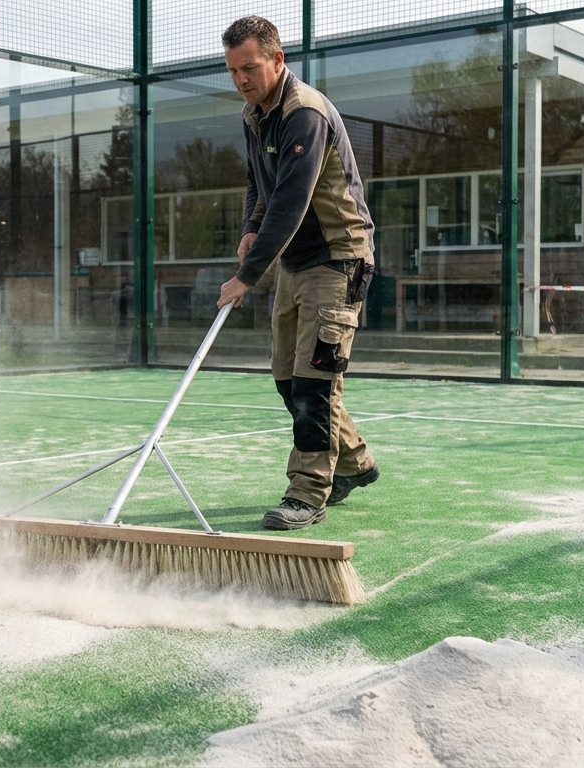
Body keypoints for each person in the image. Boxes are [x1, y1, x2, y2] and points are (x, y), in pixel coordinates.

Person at [216, 15, 380, 531]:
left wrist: (246, 275)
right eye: (233, 70)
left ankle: (308, 492)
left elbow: (290, 200)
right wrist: (250, 225)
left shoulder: (304, 112)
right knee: (288, 379)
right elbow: (258, 184)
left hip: (337, 256)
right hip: (295, 260)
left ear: (277, 59)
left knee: (315, 380)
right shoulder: (254, 114)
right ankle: (354, 462)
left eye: (250, 68)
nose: (242, 79)